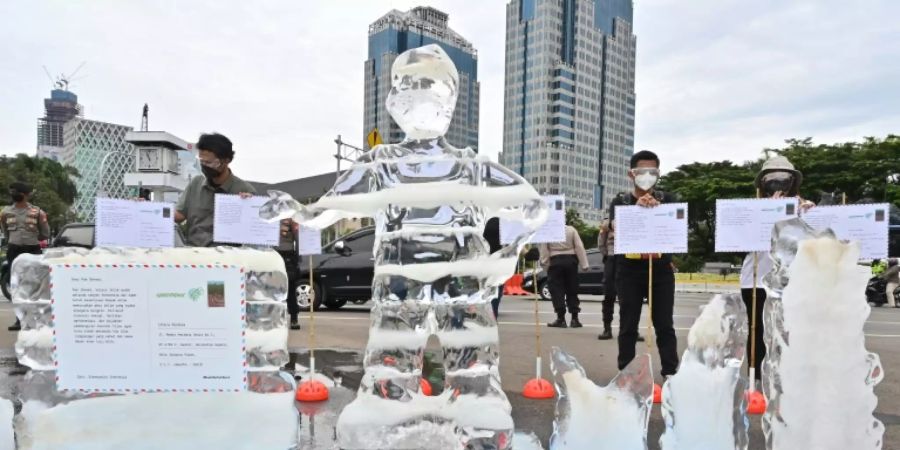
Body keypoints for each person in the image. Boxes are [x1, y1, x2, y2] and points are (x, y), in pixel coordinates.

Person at [741, 156, 814, 378]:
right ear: (762, 182)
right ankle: (756, 380)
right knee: (757, 331)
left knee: (788, 331)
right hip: (754, 279)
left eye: (784, 178)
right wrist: (767, 213)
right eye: (771, 178)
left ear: (793, 182)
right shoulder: (751, 209)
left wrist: (806, 214)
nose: (778, 183)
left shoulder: (805, 208)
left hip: (791, 281)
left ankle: (786, 379)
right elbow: (738, 241)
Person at [609, 150, 678, 378]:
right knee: (628, 324)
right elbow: (614, 227)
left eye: (652, 171)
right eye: (642, 171)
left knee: (664, 324)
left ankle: (670, 371)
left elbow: (675, 227)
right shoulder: (620, 201)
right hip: (628, 270)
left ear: (658, 173)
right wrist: (636, 209)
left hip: (661, 270)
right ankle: (626, 371)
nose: (647, 176)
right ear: (632, 173)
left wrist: (657, 208)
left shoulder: (669, 199)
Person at [175, 133, 256, 247]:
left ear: (226, 160)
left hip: (228, 258)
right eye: (201, 162)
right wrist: (147, 210)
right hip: (194, 253)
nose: (204, 166)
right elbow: (178, 215)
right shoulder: (195, 184)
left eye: (209, 162)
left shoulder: (244, 190)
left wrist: (251, 208)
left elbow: (253, 230)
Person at [2, 182, 50, 331]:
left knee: (35, 286)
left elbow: (45, 233)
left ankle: (37, 320)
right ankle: (19, 320)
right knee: (17, 287)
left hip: (32, 251)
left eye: (16, 191)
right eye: (12, 191)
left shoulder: (38, 212)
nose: (13, 193)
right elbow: (5, 231)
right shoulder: (5, 212)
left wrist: (32, 237)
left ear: (26, 194)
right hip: (14, 251)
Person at [597, 217, 643, 342]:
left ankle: (632, 330)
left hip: (630, 258)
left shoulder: (634, 218)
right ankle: (607, 329)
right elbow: (601, 242)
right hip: (612, 258)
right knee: (609, 295)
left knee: (631, 297)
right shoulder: (607, 222)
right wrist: (608, 256)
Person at [539, 223, 589, 328]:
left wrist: (545, 264)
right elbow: (579, 246)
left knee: (557, 291)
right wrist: (584, 264)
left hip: (555, 261)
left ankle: (560, 319)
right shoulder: (571, 229)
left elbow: (544, 249)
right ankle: (575, 319)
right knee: (572, 289)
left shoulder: (548, 230)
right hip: (571, 261)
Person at [277, 219, 301, 329]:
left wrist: (298, 256)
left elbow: (298, 238)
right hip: (273, 254)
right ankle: (276, 318)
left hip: (288, 256)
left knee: (290, 287)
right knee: (274, 288)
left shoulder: (291, 219)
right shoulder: (270, 217)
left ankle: (294, 318)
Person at [482, 217, 503, 318]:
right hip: (498, 272)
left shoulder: (482, 244)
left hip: (485, 272)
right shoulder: (503, 245)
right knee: (495, 302)